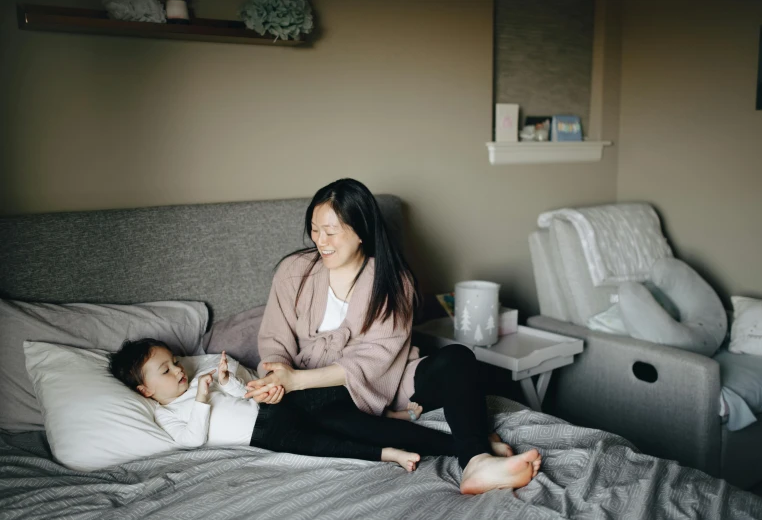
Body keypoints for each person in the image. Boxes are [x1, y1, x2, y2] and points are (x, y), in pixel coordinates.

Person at [245, 178, 542, 494]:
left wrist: (297, 381)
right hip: (313, 391)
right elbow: (274, 339)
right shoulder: (293, 272)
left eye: (331, 231)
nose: (321, 240)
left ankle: (475, 461)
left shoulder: (393, 282)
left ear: (361, 233)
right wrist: (276, 378)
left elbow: (373, 362)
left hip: (386, 379)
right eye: (315, 229)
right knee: (313, 410)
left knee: (459, 359)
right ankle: (468, 448)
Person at [109, 338, 423, 471]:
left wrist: (226, 378)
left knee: (329, 399)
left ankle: (386, 410)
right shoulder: (166, 415)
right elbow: (191, 439)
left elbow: (242, 393)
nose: (179, 370)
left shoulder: (196, 380)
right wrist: (202, 400)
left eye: (176, 362)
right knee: (325, 444)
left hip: (272, 408)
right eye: (166, 370)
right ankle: (389, 454)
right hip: (264, 436)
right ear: (145, 390)